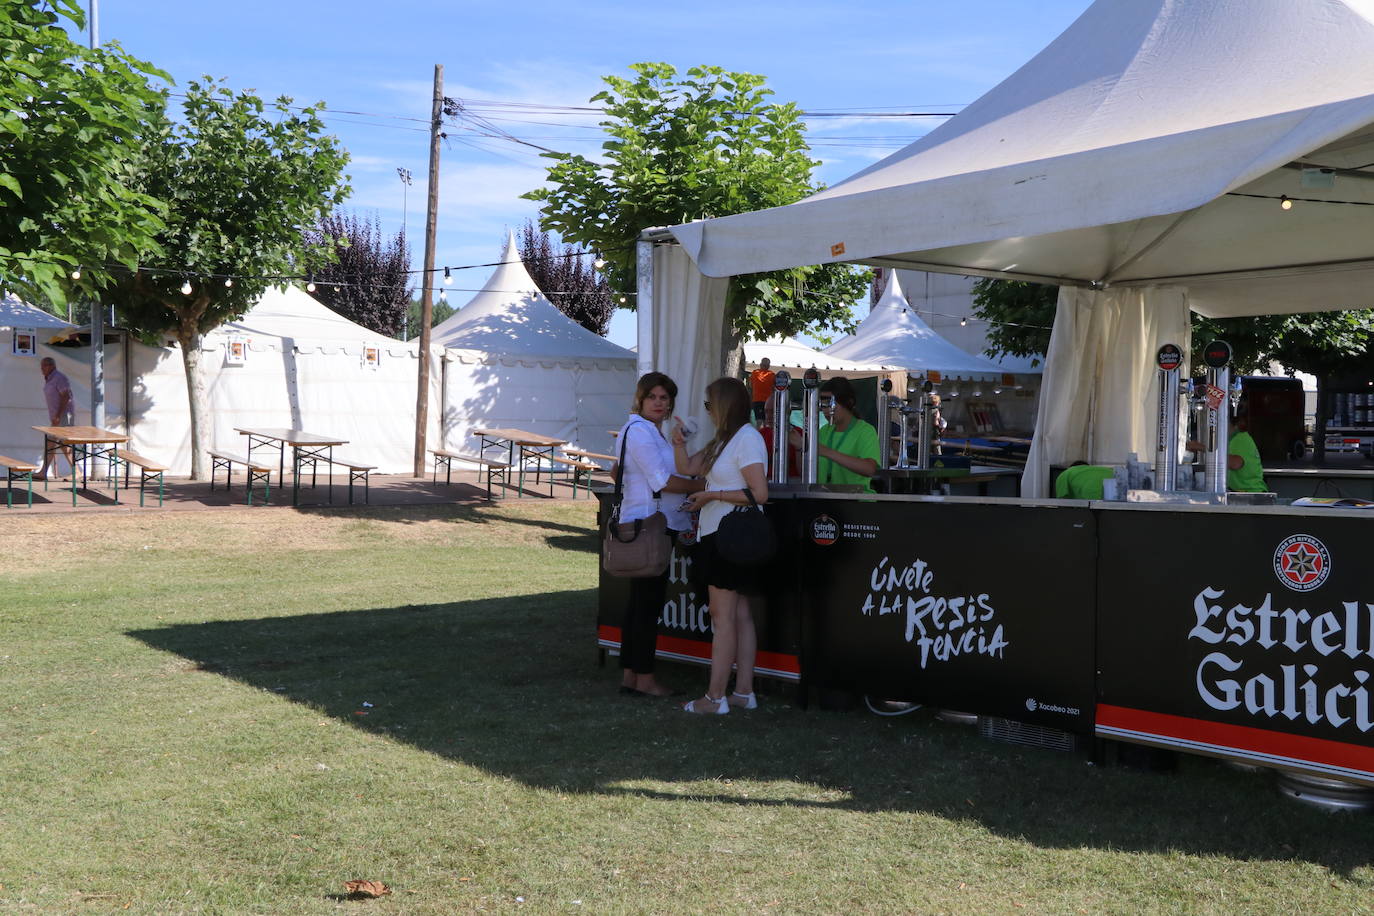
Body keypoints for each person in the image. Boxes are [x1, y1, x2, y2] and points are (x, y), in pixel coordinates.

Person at [672, 377, 769, 715]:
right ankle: (742, 693)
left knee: (724, 616)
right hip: (719, 536)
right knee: (738, 615)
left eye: (709, 404)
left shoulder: (746, 439)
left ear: (724, 405)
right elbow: (686, 467)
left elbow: (759, 494)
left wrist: (711, 494)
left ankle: (715, 698)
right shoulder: (724, 440)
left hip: (730, 538)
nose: (707, 410)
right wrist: (678, 442)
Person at [614, 372, 703, 698]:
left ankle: (631, 675)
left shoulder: (649, 432)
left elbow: (619, 471)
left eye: (664, 398)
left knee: (640, 603)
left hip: (649, 521)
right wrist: (701, 487)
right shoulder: (640, 432)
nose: (659, 403)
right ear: (641, 398)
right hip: (651, 525)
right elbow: (662, 481)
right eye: (653, 397)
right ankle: (644, 677)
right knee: (647, 604)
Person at [790, 376, 880, 492]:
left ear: (848, 402)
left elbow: (869, 469)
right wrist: (799, 448)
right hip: (825, 500)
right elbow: (805, 474)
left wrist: (827, 452)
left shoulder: (865, 431)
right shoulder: (823, 431)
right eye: (824, 405)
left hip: (857, 502)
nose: (826, 411)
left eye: (831, 405)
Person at [1186, 402, 1268, 492]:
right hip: (1241, 491)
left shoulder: (1240, 439)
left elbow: (1235, 463)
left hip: (1251, 493)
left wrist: (1201, 448)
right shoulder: (1232, 440)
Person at [37, 356, 74, 480]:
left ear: (52, 366)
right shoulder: (50, 379)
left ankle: (77, 472)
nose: (42, 369)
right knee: (51, 443)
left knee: (63, 444)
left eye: (44, 366)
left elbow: (66, 396)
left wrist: (58, 415)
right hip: (56, 416)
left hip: (62, 416)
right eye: (41, 366)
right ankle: (43, 472)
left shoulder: (59, 378)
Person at [747, 357, 775, 425]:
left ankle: (760, 434)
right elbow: (774, 388)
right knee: (767, 420)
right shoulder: (772, 374)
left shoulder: (754, 373)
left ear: (760, 364)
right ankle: (765, 434)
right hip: (768, 401)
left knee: (759, 420)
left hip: (757, 400)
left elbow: (750, 386)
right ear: (769, 366)